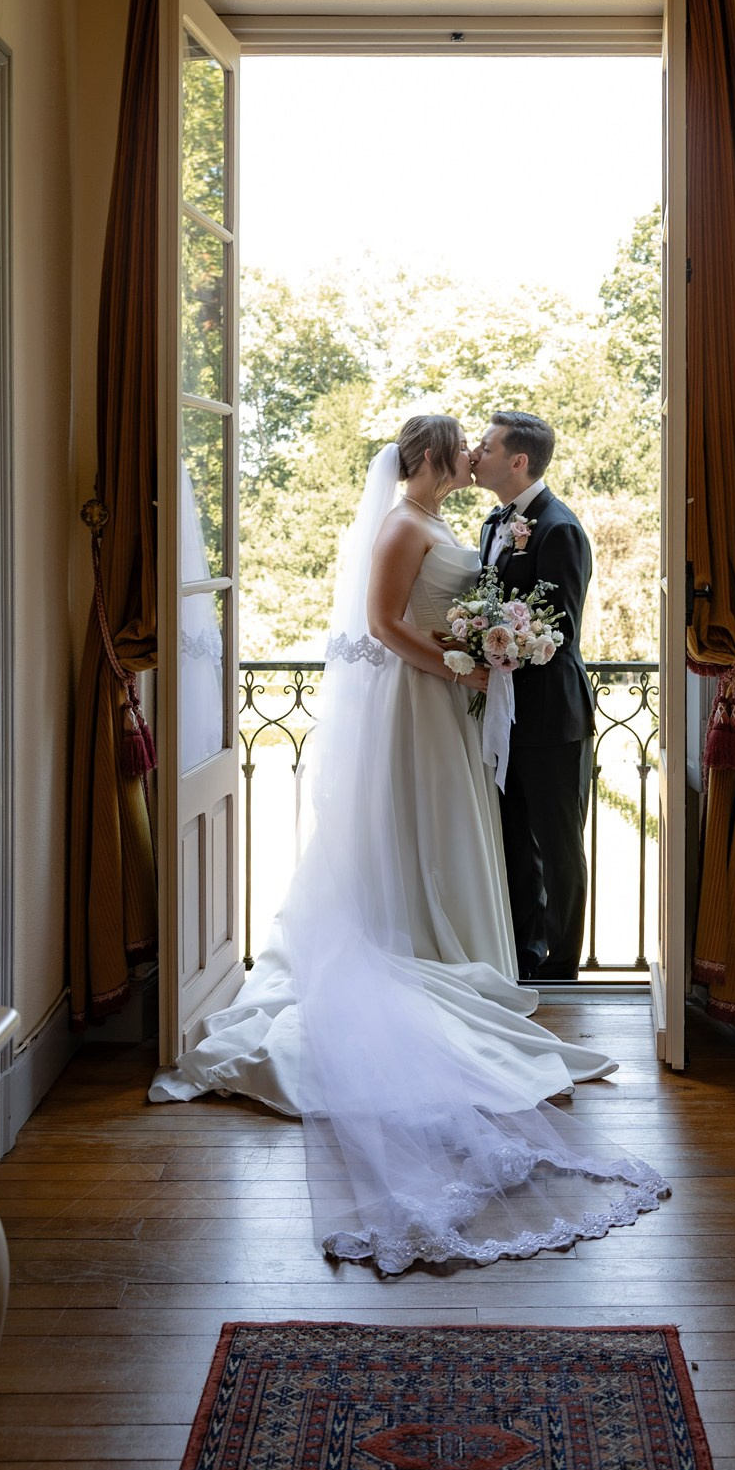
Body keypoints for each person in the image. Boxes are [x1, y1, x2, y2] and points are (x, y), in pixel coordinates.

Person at [150, 415, 666, 1272]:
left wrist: (484, 651)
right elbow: (385, 623)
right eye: (462, 445)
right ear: (428, 456)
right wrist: (456, 666)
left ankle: (458, 945)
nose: (472, 456)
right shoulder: (398, 521)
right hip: (419, 704)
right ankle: (418, 943)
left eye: (482, 445)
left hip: (451, 710)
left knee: (464, 836)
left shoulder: (456, 522)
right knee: (419, 831)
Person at [471, 412, 595, 979]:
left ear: (517, 461)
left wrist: (494, 639)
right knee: (513, 840)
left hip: (551, 716)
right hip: (504, 715)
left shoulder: (558, 528)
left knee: (559, 847)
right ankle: (520, 956)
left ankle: (562, 967)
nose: (477, 452)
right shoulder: (493, 523)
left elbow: (559, 629)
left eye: (487, 445)